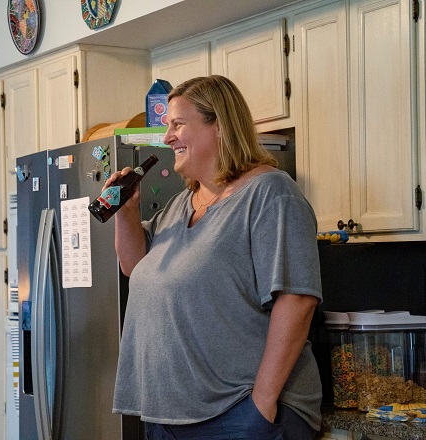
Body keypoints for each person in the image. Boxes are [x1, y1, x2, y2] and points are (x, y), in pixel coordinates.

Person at [110, 75, 323, 439]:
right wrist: (126, 212)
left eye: (178, 124)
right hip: (169, 416)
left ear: (220, 126)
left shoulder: (271, 193)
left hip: (236, 413)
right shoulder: (181, 205)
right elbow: (134, 266)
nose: (167, 137)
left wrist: (261, 404)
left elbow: (297, 300)